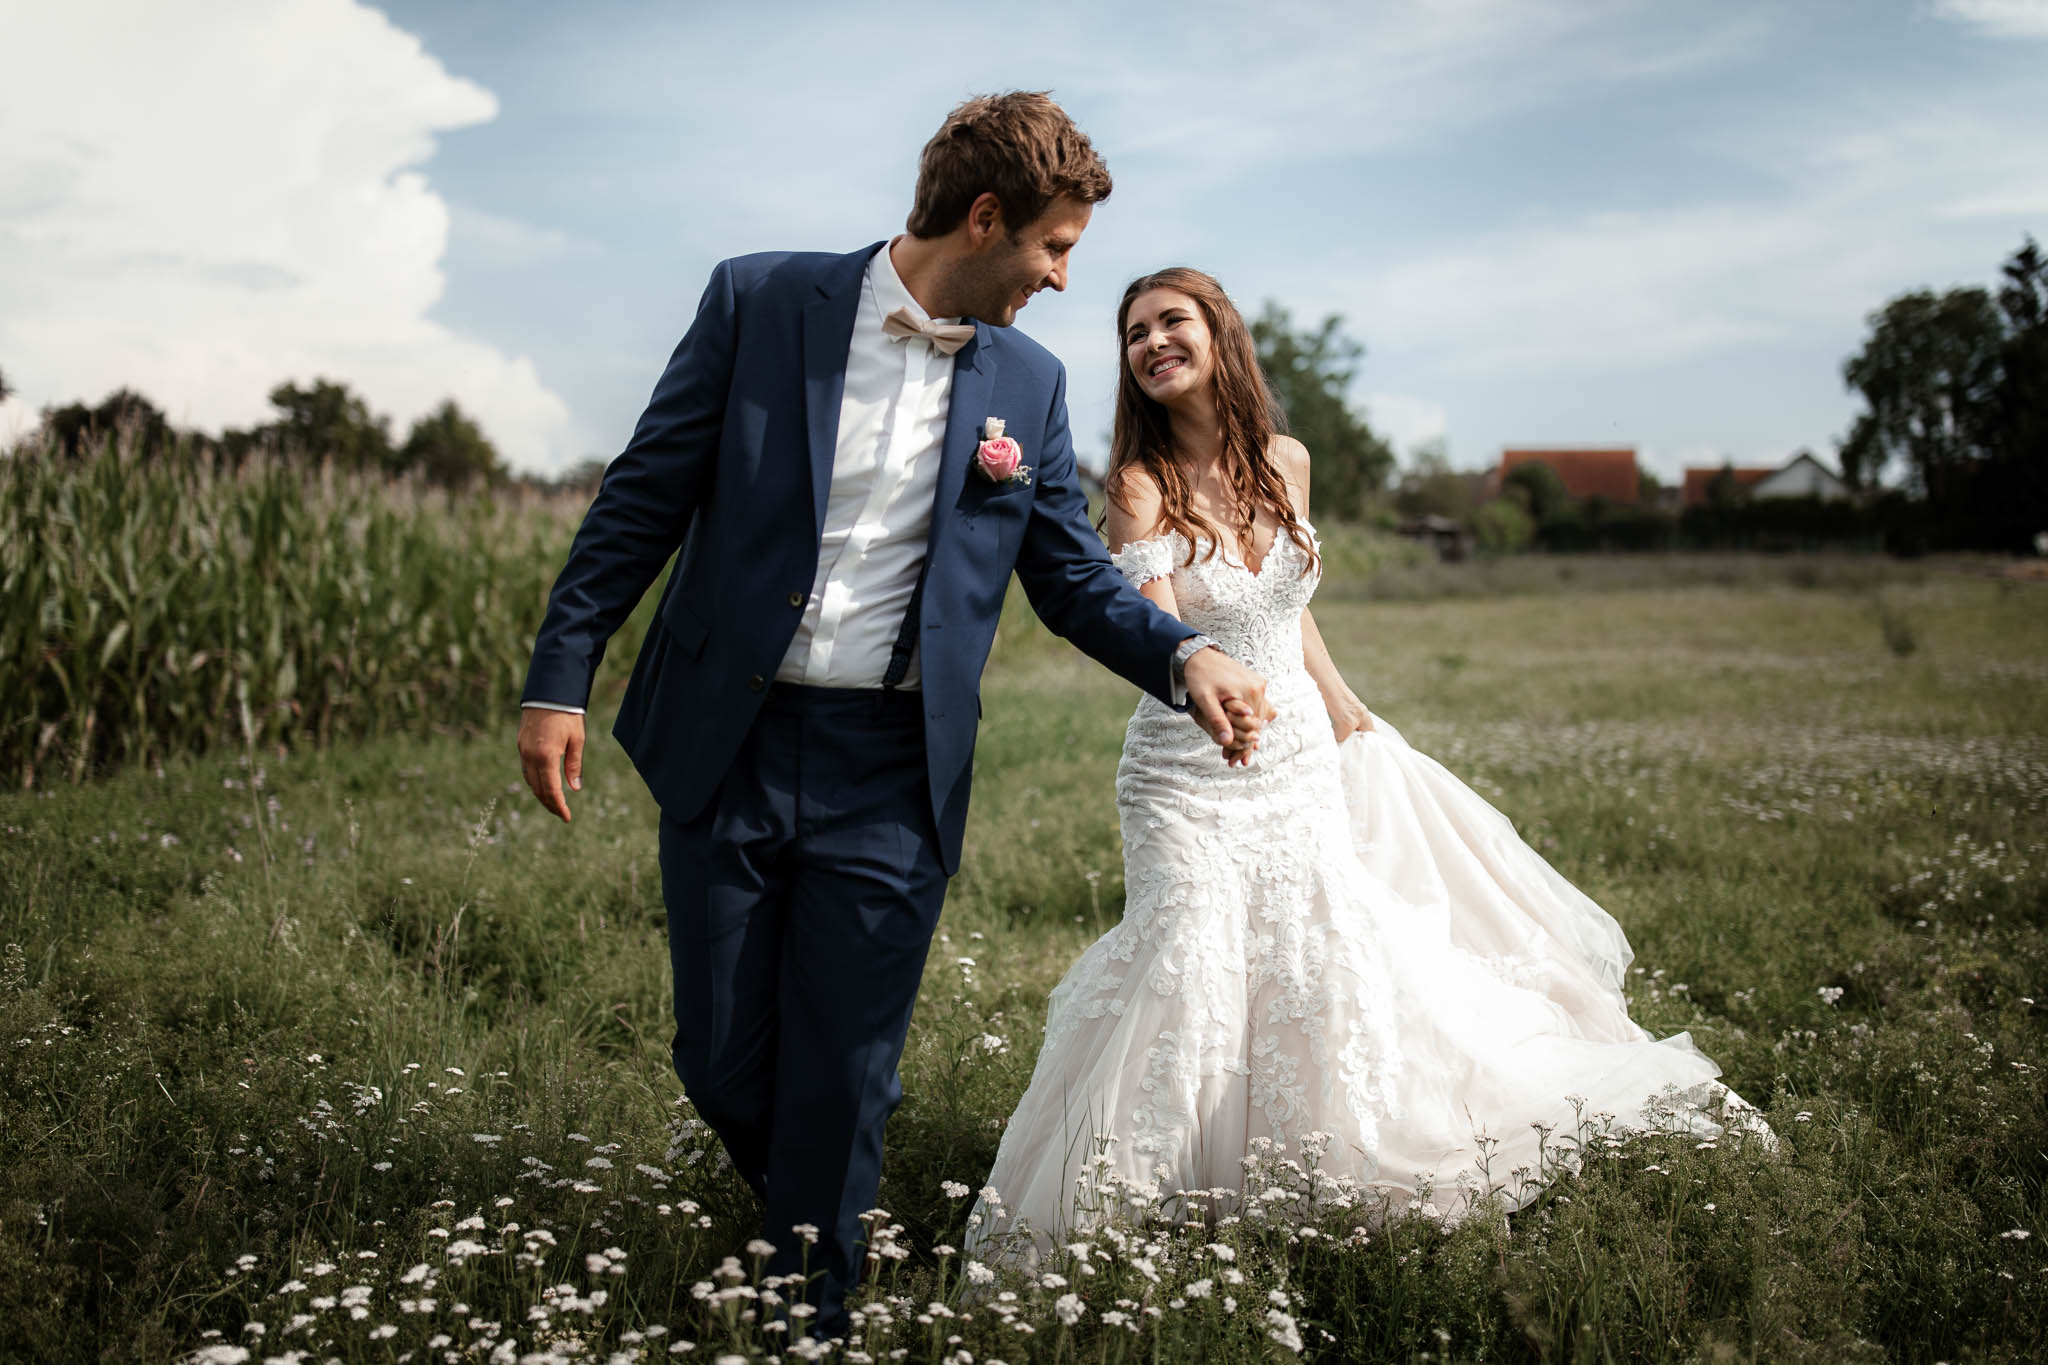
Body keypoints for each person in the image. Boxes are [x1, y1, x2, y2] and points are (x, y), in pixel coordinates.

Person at [514, 99, 1274, 1334]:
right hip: (729, 739)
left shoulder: (1024, 381)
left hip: (891, 765)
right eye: (1052, 249)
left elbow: (1069, 573)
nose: (1062, 279)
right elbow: (639, 498)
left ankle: (811, 1310)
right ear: (984, 220)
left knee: (846, 1062)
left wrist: (1183, 653)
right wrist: (560, 676)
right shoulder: (759, 303)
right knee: (717, 1058)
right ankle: (830, 1177)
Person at [968, 268, 1767, 1258]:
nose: (1149, 343)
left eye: (1170, 321)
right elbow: (1154, 630)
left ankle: (1311, 1159)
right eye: (1132, 333)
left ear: (1219, 335)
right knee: (1191, 953)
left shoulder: (1286, 462)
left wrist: (1339, 702)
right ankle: (1142, 1194)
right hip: (1188, 763)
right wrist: (1211, 703)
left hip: (1297, 747)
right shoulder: (1137, 487)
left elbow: (1284, 607)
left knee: (1311, 953)